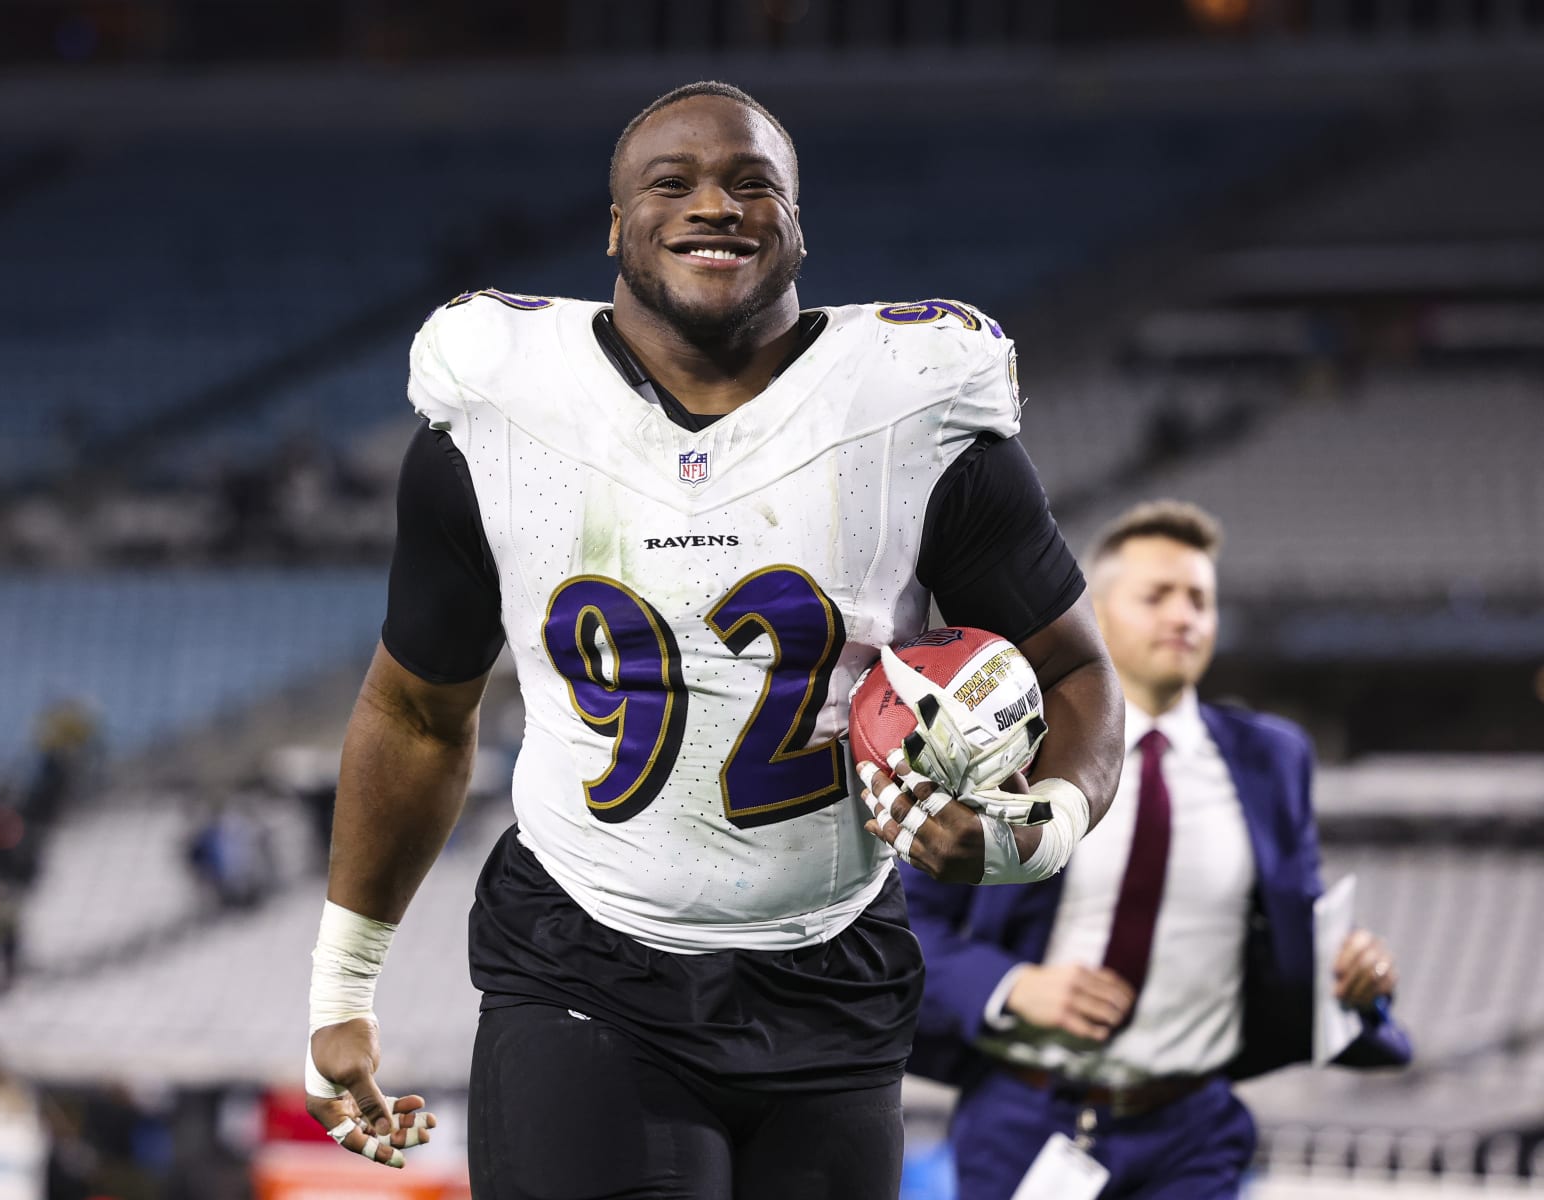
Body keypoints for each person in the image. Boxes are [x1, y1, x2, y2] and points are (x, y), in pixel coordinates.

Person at [301, 80, 1126, 1198]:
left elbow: (1076, 669)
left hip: (832, 963)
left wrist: (1036, 828)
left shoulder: (915, 415)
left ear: (796, 225)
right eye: (672, 181)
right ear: (614, 226)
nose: (717, 205)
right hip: (583, 958)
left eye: (754, 184)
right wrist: (342, 985)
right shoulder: (503, 411)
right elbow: (413, 713)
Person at [902, 500, 1412, 1200]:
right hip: (1027, 1115)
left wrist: (1355, 978)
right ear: (1099, 614)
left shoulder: (1274, 760)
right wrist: (1012, 986)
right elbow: (909, 929)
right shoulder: (1010, 753)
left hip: (1193, 1130)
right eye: (1157, 596)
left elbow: (1298, 936)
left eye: (1200, 598)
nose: (1184, 615)